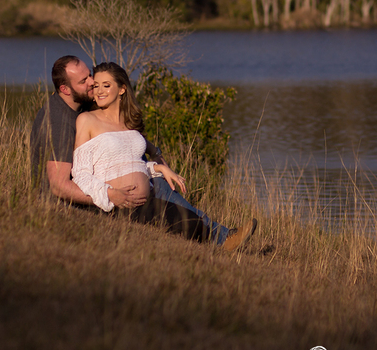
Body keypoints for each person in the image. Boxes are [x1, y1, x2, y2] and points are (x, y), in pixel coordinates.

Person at [30, 56, 255, 250]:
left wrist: (155, 158)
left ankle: (221, 236)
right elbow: (60, 185)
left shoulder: (85, 105)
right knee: (185, 219)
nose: (92, 84)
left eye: (91, 76)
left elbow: (118, 138)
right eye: (85, 81)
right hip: (79, 203)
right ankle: (217, 236)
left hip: (116, 191)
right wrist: (110, 195)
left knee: (161, 183)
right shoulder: (59, 119)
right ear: (65, 89)